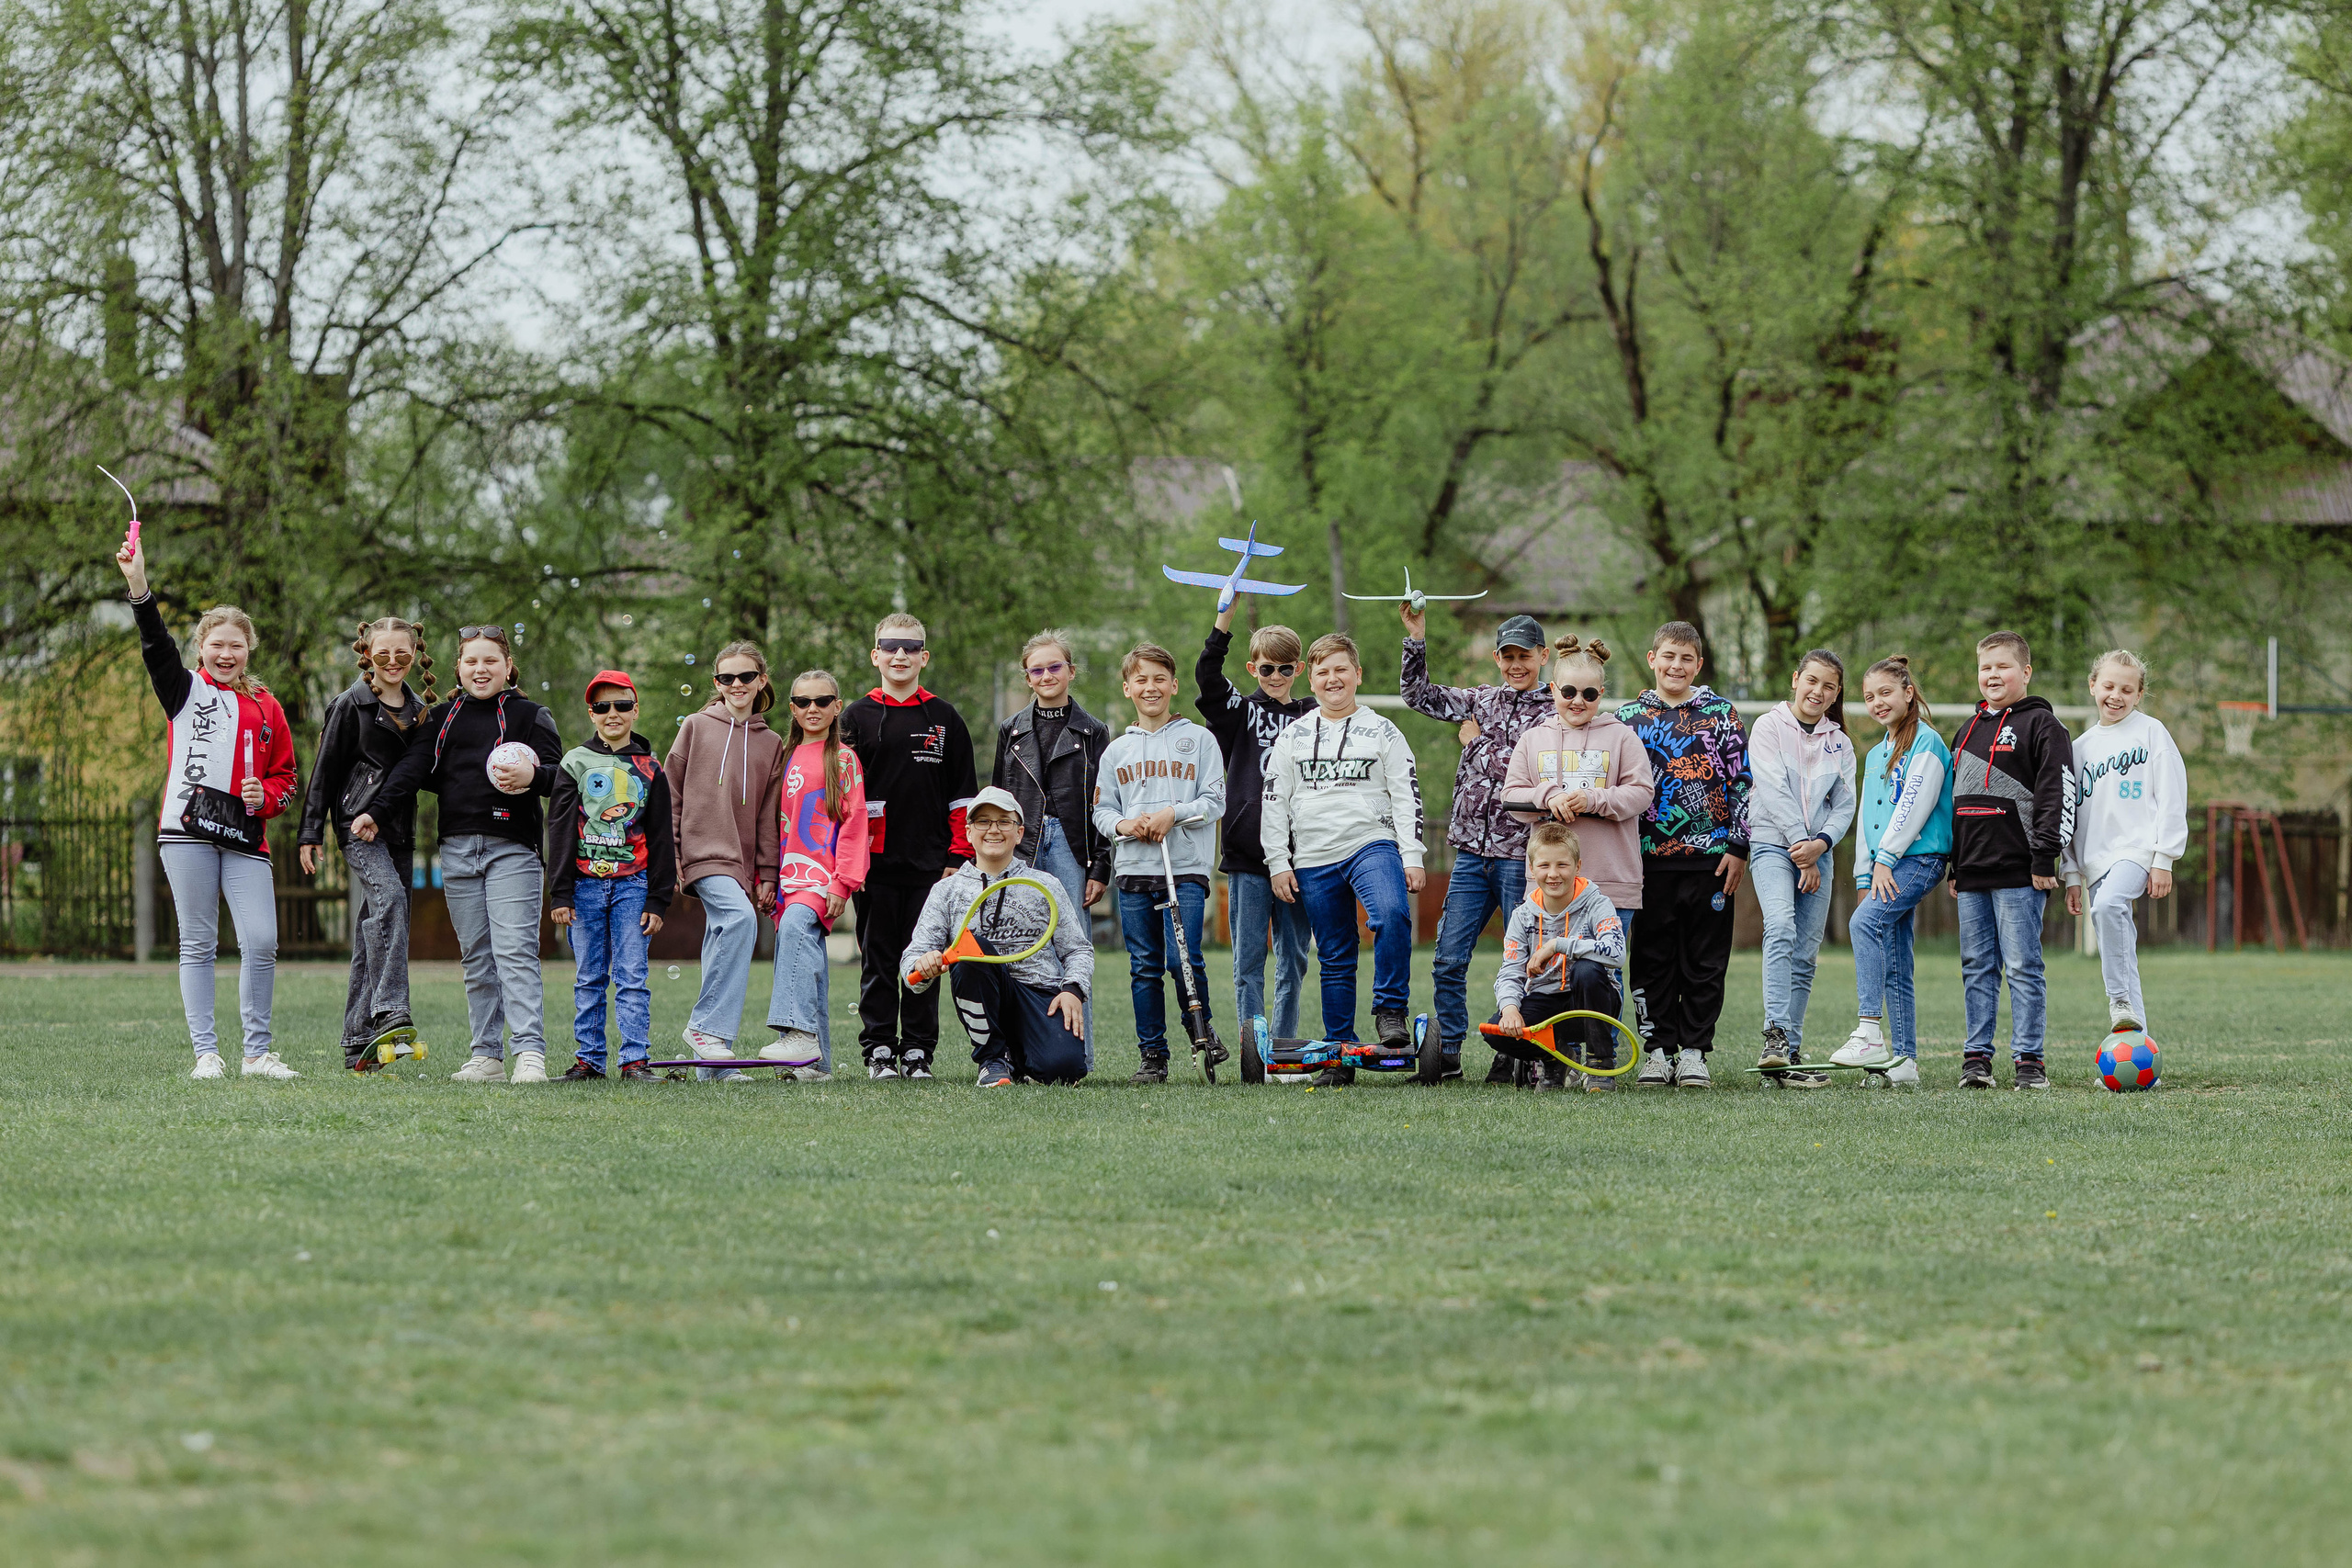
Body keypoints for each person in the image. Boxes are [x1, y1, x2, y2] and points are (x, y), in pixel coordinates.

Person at [115, 536, 300, 1080]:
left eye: (236, 646)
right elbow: (154, 643)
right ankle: (206, 1053)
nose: (226, 654)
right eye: (217, 645)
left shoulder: (267, 707)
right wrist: (139, 585)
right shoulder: (183, 689)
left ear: (250, 650)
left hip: (245, 836)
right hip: (187, 830)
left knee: (261, 940)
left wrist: (264, 796)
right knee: (197, 941)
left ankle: (257, 1053)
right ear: (202, 649)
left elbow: (287, 779)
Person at [360, 624, 562, 1082]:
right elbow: (412, 768)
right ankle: (486, 1056)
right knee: (476, 956)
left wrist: (533, 778)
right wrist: (376, 809)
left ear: (508, 666)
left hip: (513, 850)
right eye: (471, 661)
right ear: (458, 667)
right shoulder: (442, 717)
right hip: (457, 851)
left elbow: (560, 775)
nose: (481, 669)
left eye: (491, 660)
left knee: (515, 952)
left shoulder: (530, 714)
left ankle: (529, 1053)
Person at [1261, 632, 1426, 1078]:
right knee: (1335, 954)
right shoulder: (1292, 737)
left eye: (1340, 670)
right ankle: (1340, 1050)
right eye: (1322, 672)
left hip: (1370, 843)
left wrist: (1412, 855)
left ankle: (1390, 1010)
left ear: (1357, 675)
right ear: (1309, 680)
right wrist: (1278, 861)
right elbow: (1274, 801)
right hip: (1313, 856)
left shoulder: (1384, 730)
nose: (1332, 679)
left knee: (1391, 913)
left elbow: (1407, 795)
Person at [1401, 606, 1555, 1079]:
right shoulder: (1480, 700)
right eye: (1507, 656)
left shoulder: (1557, 710)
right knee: (1448, 958)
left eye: (1524, 655)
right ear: (1496, 658)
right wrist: (1416, 637)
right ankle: (1447, 1054)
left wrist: (1475, 744)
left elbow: (1532, 770)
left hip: (1520, 856)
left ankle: (1516, 1054)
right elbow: (1417, 695)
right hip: (1470, 852)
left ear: (1542, 656)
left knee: (1524, 961)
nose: (1516, 665)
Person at [1498, 634, 1652, 1084]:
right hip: (1548, 886)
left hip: (1612, 878)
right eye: (1568, 691)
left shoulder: (1622, 737)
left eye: (1588, 693)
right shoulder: (1533, 739)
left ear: (1601, 694)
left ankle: (1600, 1059)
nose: (1578, 700)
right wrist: (1549, 796)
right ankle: (1556, 1060)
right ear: (1552, 690)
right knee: (1547, 975)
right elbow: (1511, 795)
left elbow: (1641, 793)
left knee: (1598, 972)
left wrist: (1593, 798)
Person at [841, 612, 978, 1080]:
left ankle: (918, 1051)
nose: (901, 655)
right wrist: (847, 861)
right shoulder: (854, 718)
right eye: (891, 646)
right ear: (875, 655)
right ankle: (879, 1049)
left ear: (925, 657)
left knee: (925, 961)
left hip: (931, 868)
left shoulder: (944, 718)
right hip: (872, 866)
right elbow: (841, 798)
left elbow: (963, 797)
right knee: (877, 960)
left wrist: (958, 857)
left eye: (911, 647)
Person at [1615, 622, 1749, 1089]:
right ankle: (1657, 1051)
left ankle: (1694, 1052)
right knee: (1651, 958)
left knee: (1705, 960)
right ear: (1652, 658)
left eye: (1686, 659)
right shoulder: (1626, 717)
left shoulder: (1722, 714)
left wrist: (1738, 846)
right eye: (1668, 656)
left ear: (1699, 665)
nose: (1676, 666)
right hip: (1645, 861)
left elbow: (1742, 784)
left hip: (1711, 859)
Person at [300, 617, 433, 1072]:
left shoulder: (420, 711)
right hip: (357, 828)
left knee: (371, 926)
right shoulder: (348, 705)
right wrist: (310, 831)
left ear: (414, 655)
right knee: (391, 898)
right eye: (383, 654)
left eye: (402, 654)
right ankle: (390, 1009)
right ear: (367, 655)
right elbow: (325, 772)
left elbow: (417, 774)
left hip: (399, 831)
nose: (393, 662)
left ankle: (357, 1039)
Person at [1091, 642, 1227, 1084]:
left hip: (1184, 865)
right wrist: (1127, 826)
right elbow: (1102, 812)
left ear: (1172, 684)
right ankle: (1153, 1055)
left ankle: (1200, 1028)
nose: (1151, 688)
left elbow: (1215, 800)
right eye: (1141, 680)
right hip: (1134, 869)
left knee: (1181, 957)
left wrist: (1174, 814)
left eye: (1158, 679)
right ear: (1128, 688)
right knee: (1144, 966)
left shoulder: (1200, 740)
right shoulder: (1116, 752)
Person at [1950, 630, 2074, 1089]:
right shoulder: (1967, 730)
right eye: (1985, 667)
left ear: (2025, 671)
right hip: (1972, 872)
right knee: (1976, 965)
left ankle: (2029, 1062)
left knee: (2022, 965)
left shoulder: (2044, 726)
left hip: (2022, 871)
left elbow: (2055, 793)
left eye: (2002, 666)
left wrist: (2045, 859)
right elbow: (1957, 804)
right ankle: (1977, 1059)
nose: (1992, 675)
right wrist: (1955, 865)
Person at [903, 787, 1094, 1086]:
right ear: (968, 832)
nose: (994, 830)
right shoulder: (947, 890)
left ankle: (1018, 1058)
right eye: (983, 822)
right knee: (970, 948)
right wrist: (922, 967)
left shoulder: (1046, 884)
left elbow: (1078, 950)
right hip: (983, 989)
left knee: (1063, 1071)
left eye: (1004, 822)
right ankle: (992, 1059)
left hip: (1040, 994)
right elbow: (912, 960)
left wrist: (1072, 989)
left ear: (1019, 833)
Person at [1828, 656, 1952, 1088]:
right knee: (1896, 960)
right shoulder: (1878, 752)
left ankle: (1868, 1031)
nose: (1877, 703)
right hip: (1886, 866)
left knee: (1862, 926)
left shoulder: (1928, 743)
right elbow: (1869, 818)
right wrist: (1866, 874)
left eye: (1885, 693)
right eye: (1869, 697)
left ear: (1907, 692)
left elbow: (1913, 806)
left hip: (1919, 860)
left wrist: (1886, 860)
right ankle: (1903, 1063)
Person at [665, 641, 787, 1079]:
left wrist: (768, 872)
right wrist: (672, 855)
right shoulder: (696, 727)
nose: (736, 685)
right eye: (726, 678)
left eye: (746, 677)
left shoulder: (771, 743)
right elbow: (671, 797)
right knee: (740, 922)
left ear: (761, 681)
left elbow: (770, 815)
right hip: (700, 855)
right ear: (716, 683)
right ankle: (705, 1028)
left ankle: (712, 1065)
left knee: (721, 938)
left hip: (742, 863)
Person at [1193, 605, 1316, 1038]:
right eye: (1267, 668)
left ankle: (1282, 1043)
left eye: (1286, 667)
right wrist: (1222, 619)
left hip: (1302, 854)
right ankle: (1254, 1045)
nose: (1277, 675)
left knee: (1294, 957)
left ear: (1299, 668)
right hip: (1247, 852)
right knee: (1247, 960)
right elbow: (1208, 679)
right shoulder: (1241, 712)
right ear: (1253, 667)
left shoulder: (1312, 715)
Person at [548, 671, 675, 1082]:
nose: (613, 713)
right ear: (592, 714)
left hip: (633, 886)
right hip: (583, 886)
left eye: (622, 705)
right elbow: (561, 829)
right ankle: (589, 1060)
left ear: (635, 710)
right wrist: (560, 893)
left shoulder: (651, 768)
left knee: (632, 977)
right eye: (603, 707)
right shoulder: (574, 762)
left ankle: (635, 1061)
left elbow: (660, 836)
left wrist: (659, 898)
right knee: (589, 977)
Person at [1745, 649, 1857, 1089]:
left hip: (1819, 853)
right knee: (1781, 928)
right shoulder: (1769, 727)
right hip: (1774, 843)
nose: (1818, 691)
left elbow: (1844, 803)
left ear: (1836, 694)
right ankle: (1773, 1036)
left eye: (1829, 686)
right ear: (1796, 679)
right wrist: (1799, 846)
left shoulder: (1841, 742)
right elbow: (1771, 790)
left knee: (1806, 953)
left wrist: (1820, 846)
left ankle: (1789, 1052)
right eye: (1812, 681)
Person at [2063, 650, 2188, 1040]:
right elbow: (2068, 814)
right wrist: (2070, 872)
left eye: (2127, 689)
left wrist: (2164, 857)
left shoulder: (2151, 732)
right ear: (2093, 685)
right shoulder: (2079, 748)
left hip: (2137, 850)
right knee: (2121, 952)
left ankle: (2117, 999)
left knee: (2109, 904)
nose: (2116, 696)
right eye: (2109, 686)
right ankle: (2138, 1048)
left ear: (2139, 694)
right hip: (2096, 861)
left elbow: (2172, 794)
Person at [991, 629, 1110, 1043]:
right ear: (1027, 677)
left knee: (1072, 941)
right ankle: (1014, 1047)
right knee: (1012, 935)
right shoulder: (1011, 729)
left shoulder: (1093, 731)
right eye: (1037, 669)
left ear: (1071, 671)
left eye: (1054, 666)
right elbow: (997, 798)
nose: (1046, 675)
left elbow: (1103, 802)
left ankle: (1079, 1049)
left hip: (1071, 845)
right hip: (1020, 841)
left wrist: (1100, 865)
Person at [766, 669, 869, 1080]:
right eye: (804, 702)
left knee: (796, 930)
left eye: (822, 701)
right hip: (786, 879)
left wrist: (843, 881)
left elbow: (854, 822)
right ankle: (818, 1065)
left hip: (822, 878)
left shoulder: (843, 758)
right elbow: (774, 824)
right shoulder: (784, 757)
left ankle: (799, 1033)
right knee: (809, 960)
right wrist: (767, 878)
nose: (813, 709)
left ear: (837, 707)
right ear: (792, 709)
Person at [1490, 823, 1628, 1091]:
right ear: (1531, 869)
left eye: (1562, 865)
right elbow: (1511, 970)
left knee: (1587, 970)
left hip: (1591, 1002)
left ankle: (1600, 1064)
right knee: (1494, 1030)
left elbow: (1617, 953)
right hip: (1545, 1001)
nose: (1553, 874)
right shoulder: (1522, 915)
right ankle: (1555, 1059)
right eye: (1544, 866)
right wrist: (1509, 1009)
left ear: (1578, 866)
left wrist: (1557, 945)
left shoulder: (1597, 904)